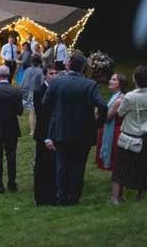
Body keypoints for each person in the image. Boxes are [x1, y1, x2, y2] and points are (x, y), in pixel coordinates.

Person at [42, 54, 108, 206]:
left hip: (61, 130)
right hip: (83, 132)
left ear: (68, 65)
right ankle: (74, 197)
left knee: (62, 164)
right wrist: (98, 123)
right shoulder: (89, 84)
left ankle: (62, 196)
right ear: (83, 67)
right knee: (78, 165)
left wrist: (57, 113)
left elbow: (45, 103)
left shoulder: (56, 82)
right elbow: (103, 106)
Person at [112, 65, 147, 203]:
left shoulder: (129, 97)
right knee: (144, 167)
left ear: (134, 79)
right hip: (146, 135)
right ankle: (140, 197)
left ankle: (115, 198)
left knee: (120, 167)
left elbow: (120, 113)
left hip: (130, 135)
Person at [0, 65, 23, 193]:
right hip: (12, 127)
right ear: (9, 75)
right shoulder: (16, 91)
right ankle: (12, 183)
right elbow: (20, 111)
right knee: (11, 156)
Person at [33, 64, 59, 206]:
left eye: (56, 73)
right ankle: (41, 196)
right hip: (43, 133)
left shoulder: (58, 90)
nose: (54, 76)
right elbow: (41, 116)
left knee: (54, 164)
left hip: (56, 132)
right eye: (51, 73)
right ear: (45, 75)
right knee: (42, 165)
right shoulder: (39, 91)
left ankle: (53, 193)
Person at [96, 73, 127, 178]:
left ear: (120, 84)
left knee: (116, 162)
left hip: (114, 134)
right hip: (112, 130)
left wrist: (96, 112)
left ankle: (118, 184)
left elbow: (106, 118)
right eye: (110, 79)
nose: (110, 81)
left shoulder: (118, 100)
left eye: (114, 80)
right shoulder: (116, 97)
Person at [20, 54, 45, 135]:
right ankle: (34, 130)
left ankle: (33, 130)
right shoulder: (40, 71)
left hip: (26, 91)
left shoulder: (27, 70)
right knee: (35, 112)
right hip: (35, 93)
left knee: (32, 112)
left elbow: (22, 82)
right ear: (40, 62)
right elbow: (42, 83)